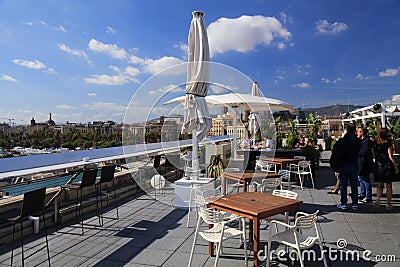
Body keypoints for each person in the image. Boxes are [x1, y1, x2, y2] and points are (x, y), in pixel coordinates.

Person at [373, 128, 399, 211]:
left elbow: (373, 155)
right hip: (387, 166)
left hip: (378, 165)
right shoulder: (388, 143)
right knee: (389, 185)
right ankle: (388, 204)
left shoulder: (375, 143)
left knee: (380, 184)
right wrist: (395, 167)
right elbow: (390, 156)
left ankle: (377, 199)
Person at [336, 123, 361, 211]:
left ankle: (344, 203)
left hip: (344, 165)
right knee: (354, 185)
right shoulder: (358, 141)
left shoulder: (343, 141)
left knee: (343, 185)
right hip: (354, 164)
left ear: (346, 130)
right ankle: (355, 203)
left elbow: (337, 154)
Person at [356, 126, 374, 203]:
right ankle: (362, 194)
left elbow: (364, 151)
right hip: (360, 162)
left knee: (365, 179)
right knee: (361, 178)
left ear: (362, 133)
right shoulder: (361, 140)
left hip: (365, 163)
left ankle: (368, 196)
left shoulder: (367, 141)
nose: (357, 133)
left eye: (358, 132)